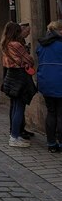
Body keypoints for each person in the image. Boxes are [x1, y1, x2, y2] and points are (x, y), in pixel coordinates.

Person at [1, 21, 36, 148]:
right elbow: (29, 60)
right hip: (19, 77)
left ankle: (14, 135)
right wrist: (27, 59)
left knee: (16, 106)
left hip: (11, 75)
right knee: (19, 108)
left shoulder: (5, 44)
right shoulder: (16, 44)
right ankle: (15, 137)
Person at [36, 20, 62, 153]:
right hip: (59, 82)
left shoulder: (41, 44)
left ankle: (51, 143)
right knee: (60, 113)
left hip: (45, 82)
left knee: (51, 112)